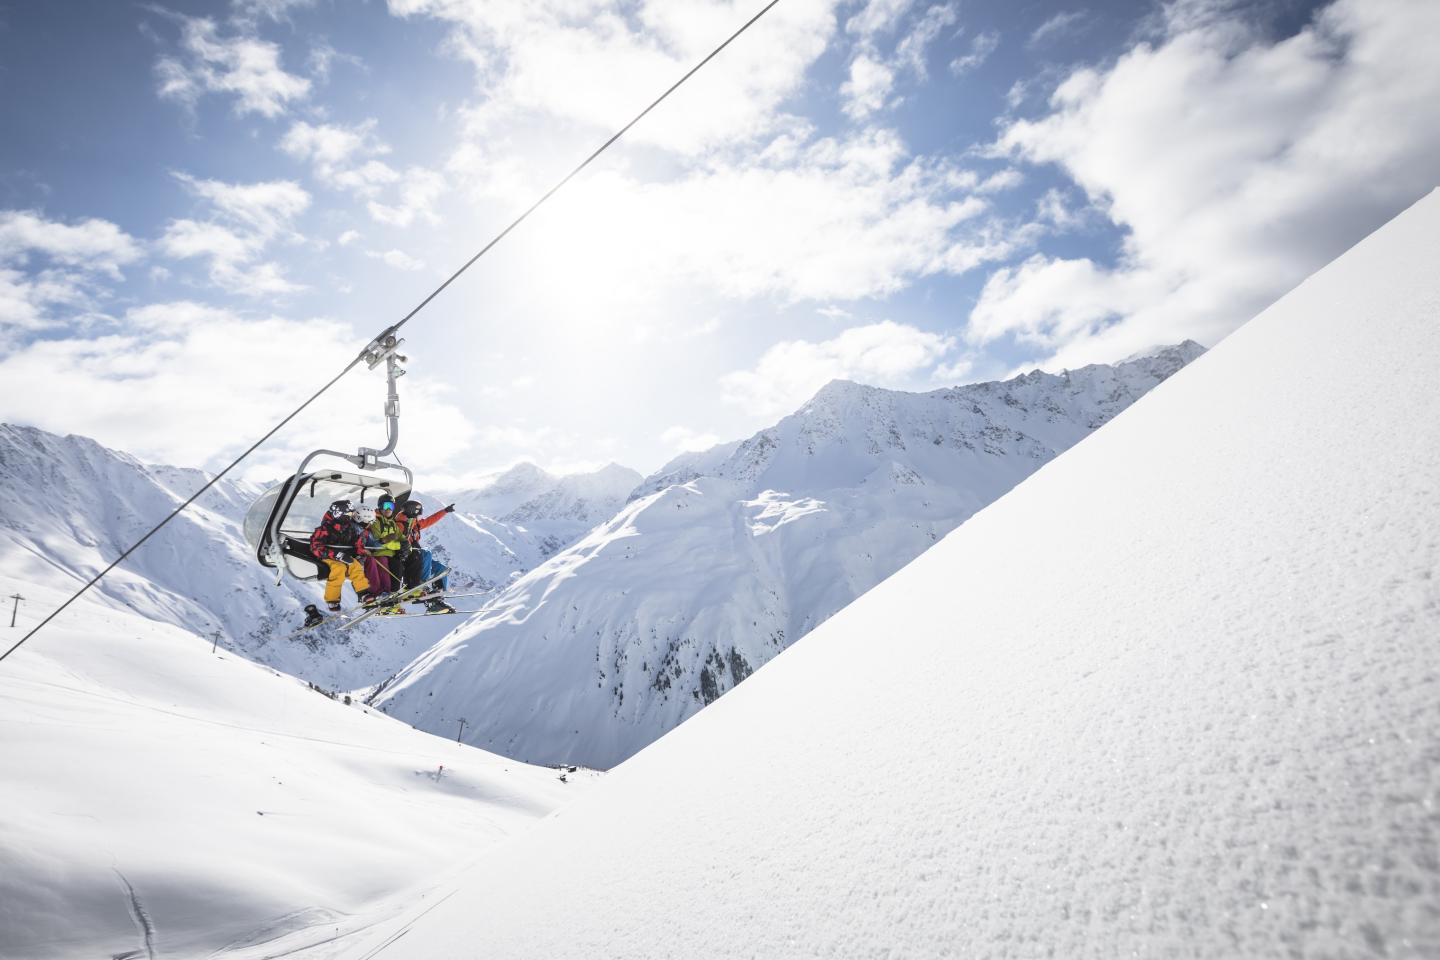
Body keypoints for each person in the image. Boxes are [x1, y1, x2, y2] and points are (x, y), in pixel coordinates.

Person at [309, 499, 373, 612]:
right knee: (339, 569)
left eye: (352, 514)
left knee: (356, 566)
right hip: (328, 557)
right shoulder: (325, 529)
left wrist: (361, 553)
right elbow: (315, 547)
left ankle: (363, 593)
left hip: (344, 556)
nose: (351, 516)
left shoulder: (349, 528)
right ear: (339, 514)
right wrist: (335, 555)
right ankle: (332, 600)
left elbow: (358, 543)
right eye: (348, 514)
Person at [399, 499, 456, 613]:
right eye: (418, 513)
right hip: (408, 558)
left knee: (441, 569)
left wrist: (444, 511)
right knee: (426, 553)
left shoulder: (414, 524)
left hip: (418, 556)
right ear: (412, 512)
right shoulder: (400, 525)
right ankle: (420, 584)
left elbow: (430, 520)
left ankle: (437, 599)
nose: (419, 516)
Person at [365, 494, 407, 599]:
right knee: (383, 562)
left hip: (391, 554)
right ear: (380, 506)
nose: (388, 509)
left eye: (391, 506)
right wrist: (398, 545)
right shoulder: (375, 521)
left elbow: (401, 538)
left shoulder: (392, 523)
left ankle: (394, 593)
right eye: (386, 506)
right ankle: (384, 592)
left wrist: (406, 546)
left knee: (398, 565)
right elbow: (378, 541)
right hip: (378, 552)